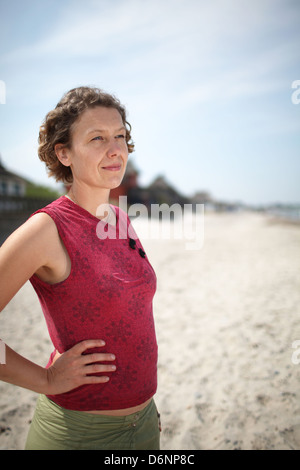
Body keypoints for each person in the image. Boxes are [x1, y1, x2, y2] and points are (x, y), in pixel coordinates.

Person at [0, 86, 160, 450]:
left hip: (144, 425)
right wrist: (45, 379)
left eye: (120, 135)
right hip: (77, 434)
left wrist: (145, 414)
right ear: (64, 153)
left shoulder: (120, 219)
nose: (115, 148)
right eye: (97, 138)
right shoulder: (45, 229)